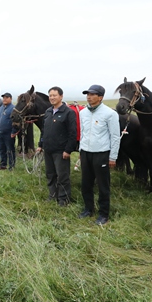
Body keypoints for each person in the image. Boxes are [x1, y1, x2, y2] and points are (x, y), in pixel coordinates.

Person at [78, 84, 120, 226]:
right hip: (86, 153)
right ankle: (88, 209)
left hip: (101, 153)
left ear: (100, 97)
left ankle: (103, 214)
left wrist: (112, 157)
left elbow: (115, 137)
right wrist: (80, 150)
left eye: (92, 94)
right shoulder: (83, 112)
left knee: (103, 185)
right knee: (86, 183)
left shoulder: (110, 114)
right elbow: (83, 132)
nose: (89, 97)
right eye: (87, 94)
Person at [37, 87, 77, 206]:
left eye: (54, 95)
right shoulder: (48, 112)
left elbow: (72, 133)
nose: (52, 98)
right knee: (50, 174)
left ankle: (64, 199)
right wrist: (40, 145)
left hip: (61, 151)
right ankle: (52, 195)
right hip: (48, 149)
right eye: (50, 95)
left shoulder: (68, 112)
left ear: (61, 96)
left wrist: (68, 150)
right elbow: (44, 130)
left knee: (62, 176)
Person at [0, 92, 17, 170]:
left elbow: (15, 122)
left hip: (9, 133)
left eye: (6, 97)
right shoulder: (1, 108)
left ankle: (12, 166)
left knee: (10, 150)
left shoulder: (13, 109)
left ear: (10, 99)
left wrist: (13, 132)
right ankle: (3, 165)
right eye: (3, 97)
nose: (4, 99)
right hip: (0, 132)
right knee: (2, 149)